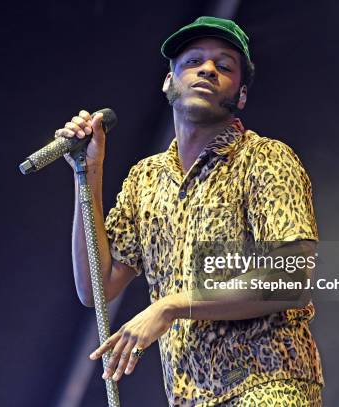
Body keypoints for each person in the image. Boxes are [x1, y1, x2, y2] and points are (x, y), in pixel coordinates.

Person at [56, 16, 324, 406]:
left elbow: (291, 275)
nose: (208, 69)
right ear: (169, 82)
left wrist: (173, 305)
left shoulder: (265, 158)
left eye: (224, 65)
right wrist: (88, 172)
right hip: (191, 398)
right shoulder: (145, 179)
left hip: (269, 384)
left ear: (242, 95)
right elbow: (97, 288)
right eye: (193, 61)